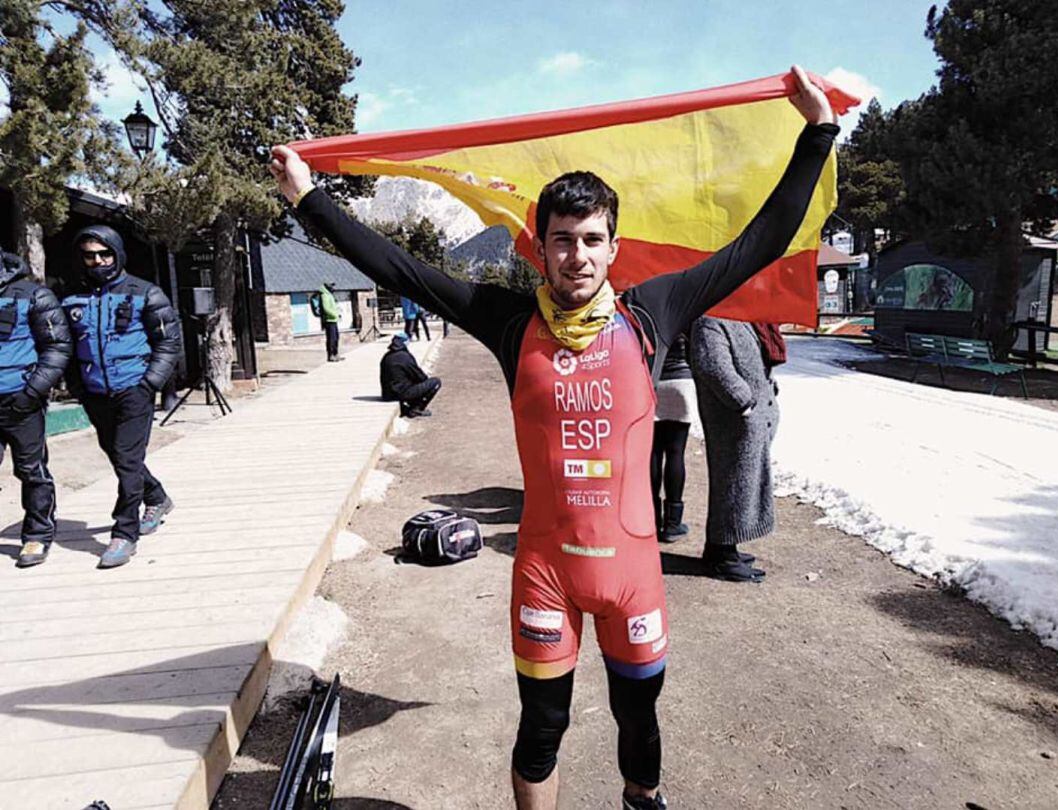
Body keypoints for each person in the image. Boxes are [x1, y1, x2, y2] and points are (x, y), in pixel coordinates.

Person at [271, 65, 837, 810]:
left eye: (592, 240)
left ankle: (644, 801)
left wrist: (818, 130)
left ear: (613, 246)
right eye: (562, 240)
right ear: (540, 246)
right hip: (544, 570)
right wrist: (306, 196)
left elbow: (758, 241)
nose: (577, 254)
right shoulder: (509, 321)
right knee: (543, 727)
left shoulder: (652, 313)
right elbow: (401, 270)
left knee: (640, 721)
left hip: (633, 574)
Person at [62, 225, 181, 569]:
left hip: (134, 390)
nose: (97, 261)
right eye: (90, 255)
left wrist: (149, 384)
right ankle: (157, 497)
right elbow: (65, 348)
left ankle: (124, 533)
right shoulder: (71, 298)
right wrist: (77, 388)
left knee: (127, 461)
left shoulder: (146, 293)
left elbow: (168, 343)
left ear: (117, 253)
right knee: (117, 456)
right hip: (95, 393)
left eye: (104, 254)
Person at [689, 318, 784, 583]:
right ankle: (722, 554)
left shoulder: (745, 319)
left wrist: (767, 392)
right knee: (732, 484)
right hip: (732, 420)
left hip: (746, 420)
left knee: (743, 484)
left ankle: (725, 547)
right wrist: (744, 403)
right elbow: (713, 366)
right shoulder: (709, 321)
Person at [0, 252, 72, 568]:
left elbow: (57, 347)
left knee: (31, 469)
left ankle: (37, 534)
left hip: (20, 398)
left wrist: (33, 391)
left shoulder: (34, 295)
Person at [650, 332, 695, 543]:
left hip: (653, 381)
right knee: (676, 452)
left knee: (653, 452)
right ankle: (672, 524)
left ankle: (652, 519)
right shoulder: (686, 307)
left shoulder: (648, 308)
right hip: (682, 382)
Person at [379, 331, 441, 417]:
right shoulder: (405, 357)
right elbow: (419, 376)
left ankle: (409, 406)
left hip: (388, 394)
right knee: (435, 382)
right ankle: (417, 408)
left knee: (412, 383)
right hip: (401, 393)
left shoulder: (386, 356)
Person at [310, 282, 343, 361]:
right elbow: (326, 308)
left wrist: (338, 313)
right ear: (327, 286)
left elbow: (333, 306)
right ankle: (331, 355)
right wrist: (335, 314)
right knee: (331, 338)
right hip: (329, 320)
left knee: (336, 338)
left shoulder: (329, 295)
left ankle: (336, 354)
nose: (333, 287)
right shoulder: (324, 295)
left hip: (333, 319)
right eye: (331, 286)